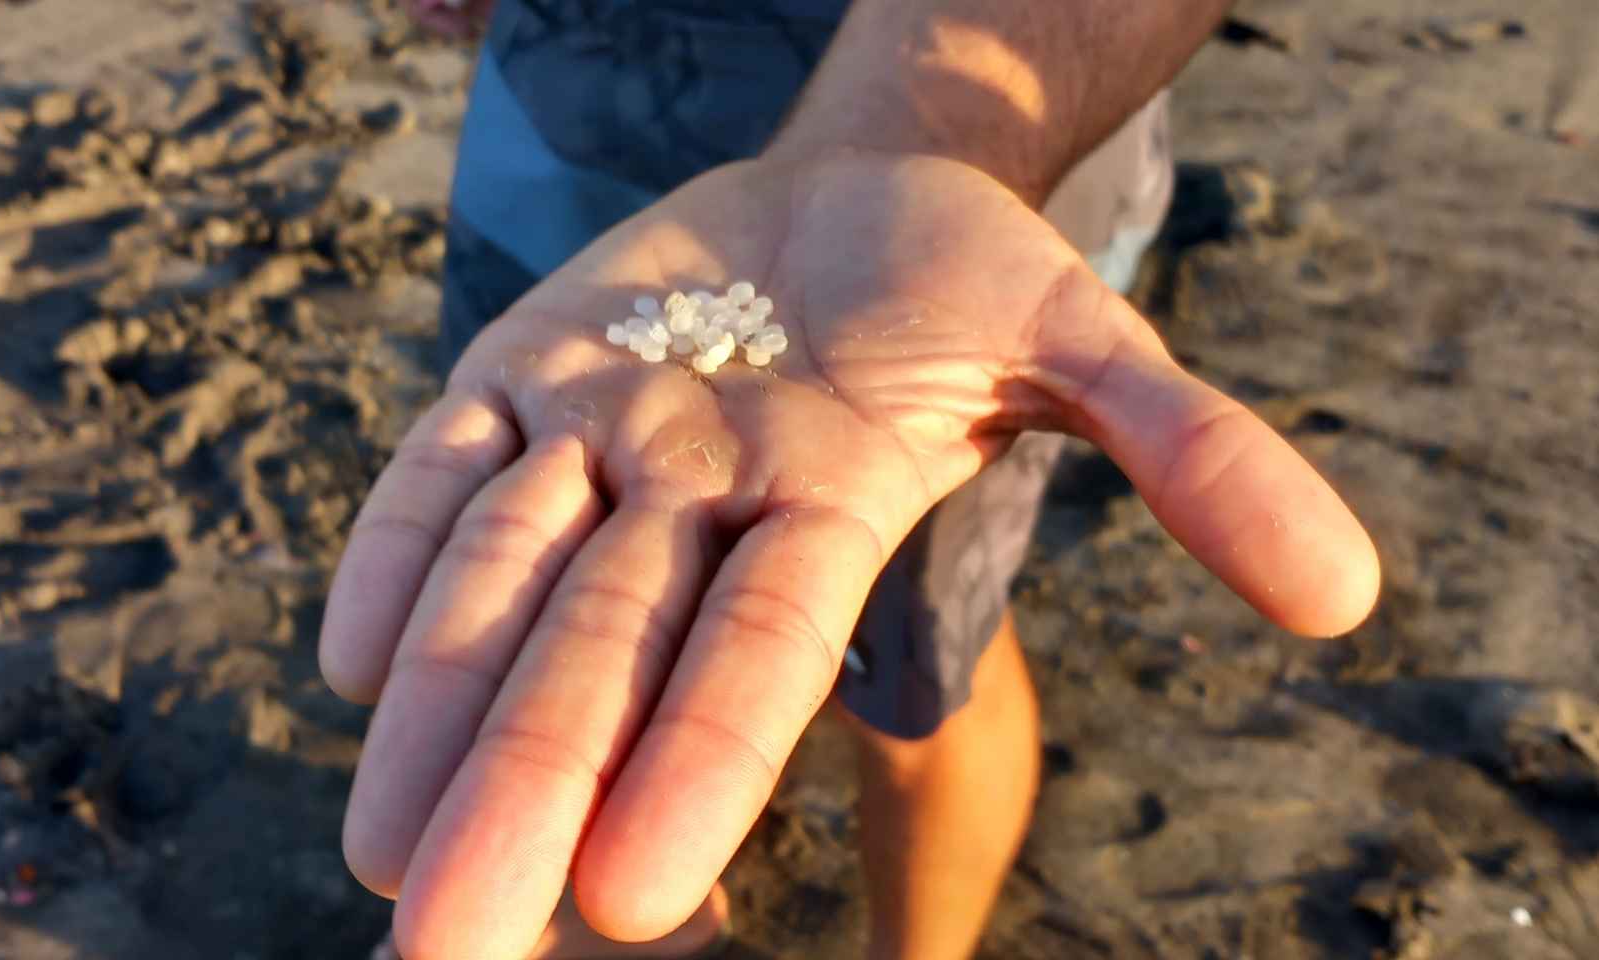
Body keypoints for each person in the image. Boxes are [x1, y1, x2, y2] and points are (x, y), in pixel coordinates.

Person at [320, 2, 1383, 958]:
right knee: (578, 529)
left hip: (954, 181)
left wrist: (917, 132)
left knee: (909, 649)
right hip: (575, 73)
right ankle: (625, 905)